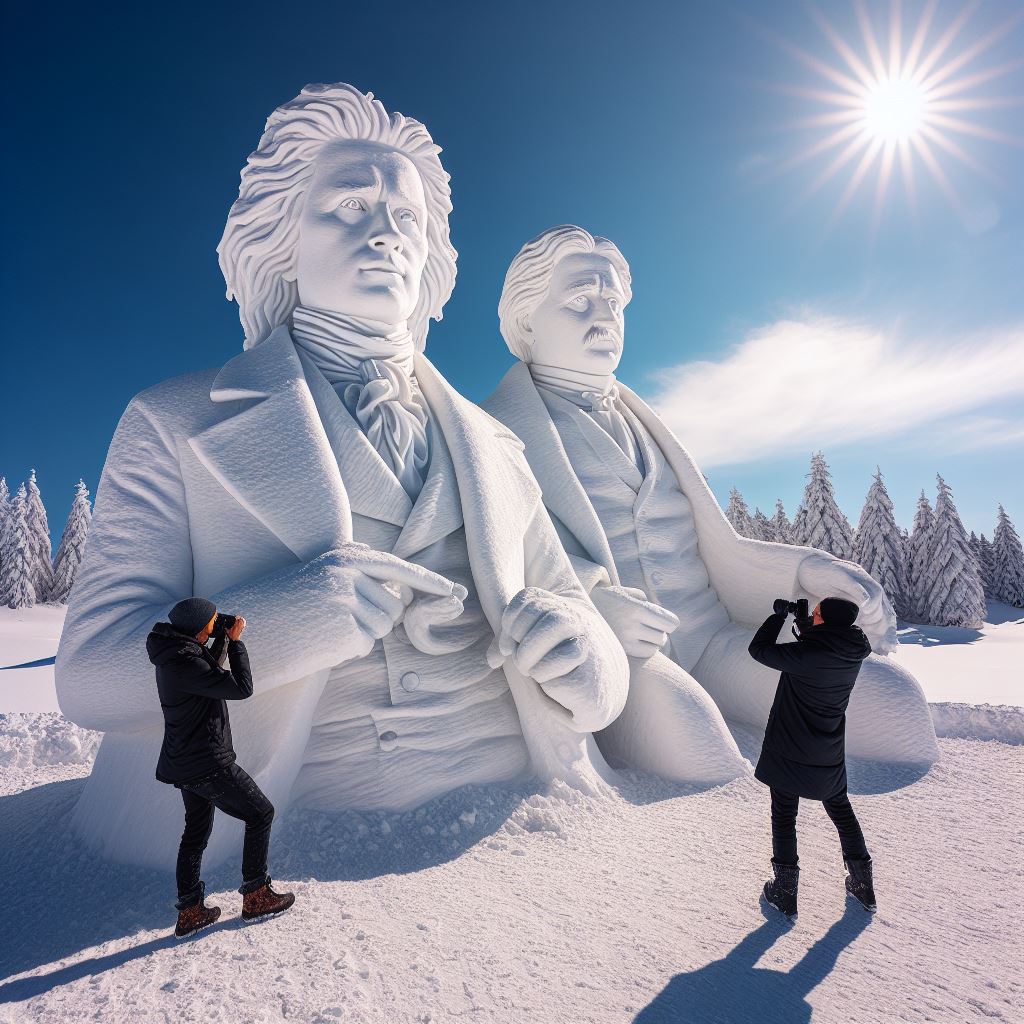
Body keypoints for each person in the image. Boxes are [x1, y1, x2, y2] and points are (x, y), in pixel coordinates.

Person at [55, 85, 628, 873]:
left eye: (407, 219)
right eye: (351, 207)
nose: (387, 235)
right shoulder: (172, 422)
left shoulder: (495, 443)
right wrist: (283, 620)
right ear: (281, 237)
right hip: (285, 856)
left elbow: (576, 607)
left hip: (523, 834)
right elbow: (90, 676)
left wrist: (588, 661)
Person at [483, 224, 939, 774]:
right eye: (580, 299)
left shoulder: (644, 422)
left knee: (893, 704)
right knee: (706, 759)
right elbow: (495, 556)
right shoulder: (492, 433)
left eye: (613, 301)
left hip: (715, 641)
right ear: (526, 319)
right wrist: (590, 607)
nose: (604, 316)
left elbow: (719, 548)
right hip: (628, 657)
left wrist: (807, 572)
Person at [149, 596, 295, 938]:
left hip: (184, 762)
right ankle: (256, 895)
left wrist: (221, 637)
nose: (218, 623)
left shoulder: (175, 654)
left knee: (195, 833)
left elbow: (207, 671)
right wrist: (238, 643)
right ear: (200, 629)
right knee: (260, 814)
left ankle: (189, 911)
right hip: (207, 762)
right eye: (213, 621)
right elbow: (240, 688)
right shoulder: (186, 662)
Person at [748, 596, 877, 922]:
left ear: (827, 621)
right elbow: (822, 649)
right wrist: (807, 626)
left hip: (790, 748)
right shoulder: (851, 651)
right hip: (828, 749)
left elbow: (759, 650)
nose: (813, 614)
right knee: (841, 812)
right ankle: (863, 884)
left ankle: (785, 891)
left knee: (784, 814)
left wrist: (777, 617)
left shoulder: (808, 654)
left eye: (817, 613)